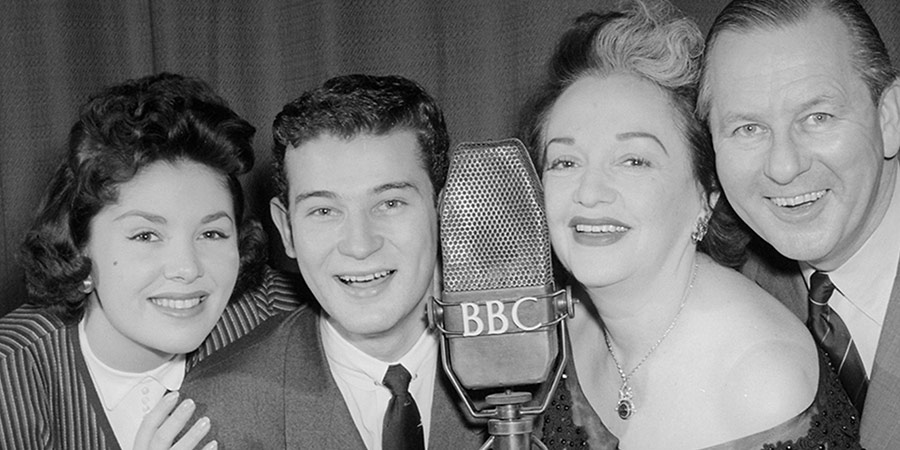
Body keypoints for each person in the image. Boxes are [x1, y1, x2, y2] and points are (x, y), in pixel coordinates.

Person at [524, 1, 861, 448]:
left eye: (633, 160)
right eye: (565, 161)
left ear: (706, 194)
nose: (589, 192)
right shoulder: (553, 331)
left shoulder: (763, 383)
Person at [178, 74, 483, 449]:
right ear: (287, 231)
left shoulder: (546, 373)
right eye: (324, 210)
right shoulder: (214, 417)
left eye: (389, 203)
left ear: (444, 210)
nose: (359, 245)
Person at [0, 73, 301, 450]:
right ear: (79, 246)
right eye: (145, 236)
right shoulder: (12, 374)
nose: (187, 268)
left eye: (211, 234)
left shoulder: (278, 316)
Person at [698, 0, 900, 447]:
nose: (784, 167)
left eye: (817, 118)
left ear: (889, 117)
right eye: (748, 129)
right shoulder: (723, 299)